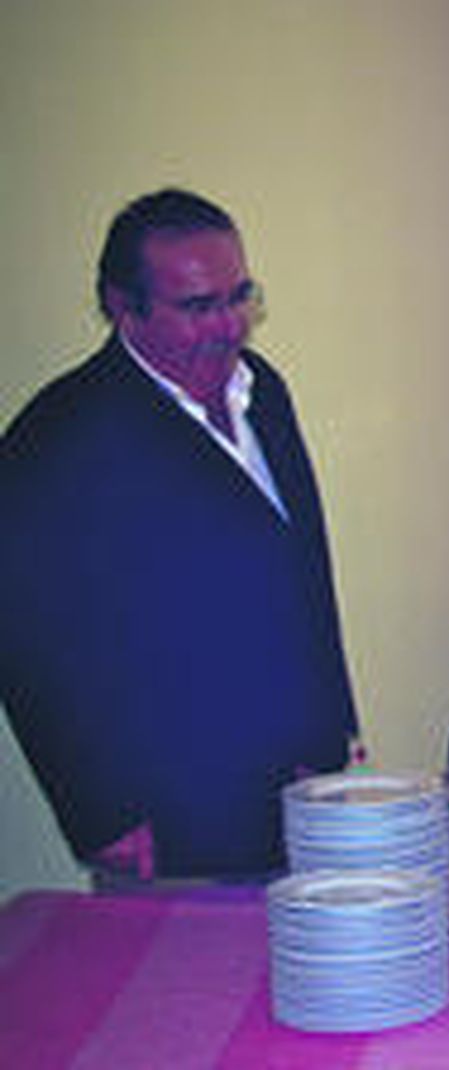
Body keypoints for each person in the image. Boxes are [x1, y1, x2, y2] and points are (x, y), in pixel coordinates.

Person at [0, 188, 360, 880]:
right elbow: (27, 646)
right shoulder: (61, 435)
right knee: (189, 986)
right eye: (198, 307)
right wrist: (99, 814)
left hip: (299, 776)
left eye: (240, 297)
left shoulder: (265, 392)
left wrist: (333, 730)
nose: (229, 325)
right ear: (120, 305)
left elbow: (303, 568)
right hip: (168, 807)